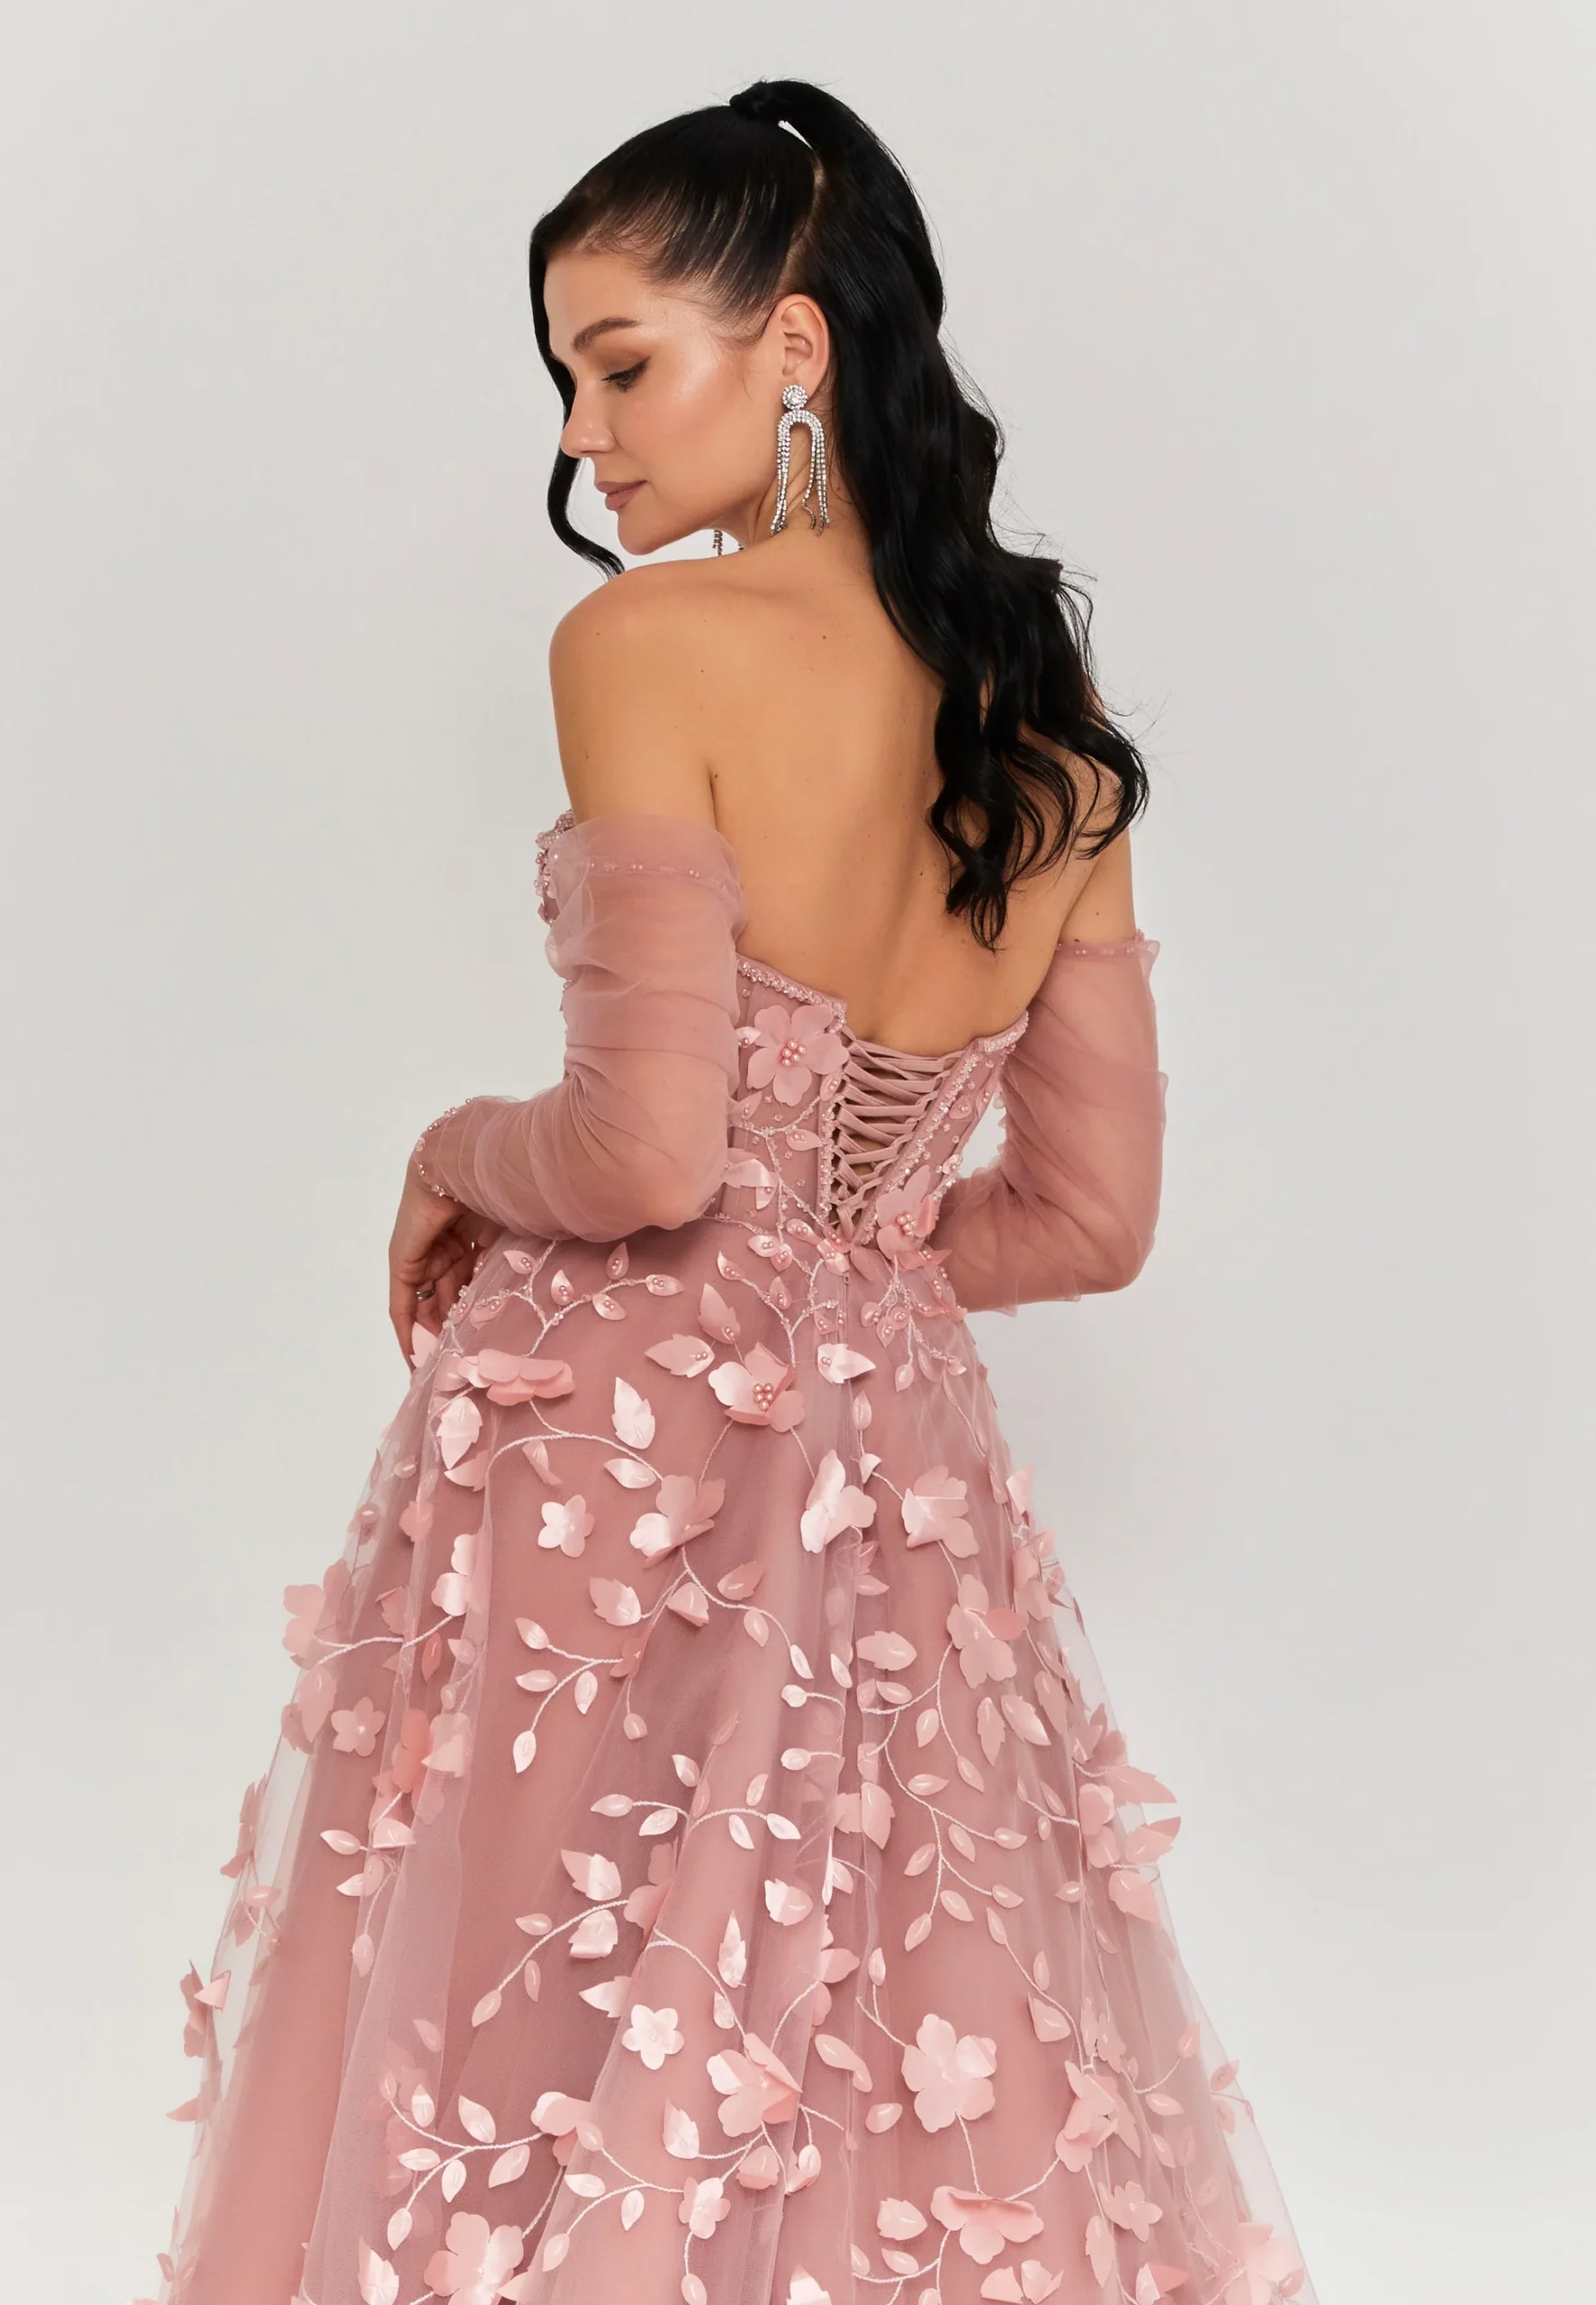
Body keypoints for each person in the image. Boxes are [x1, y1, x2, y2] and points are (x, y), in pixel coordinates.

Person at [140, 79, 1314, 2305]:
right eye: (564, 379)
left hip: (616, 1433)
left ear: (791, 346)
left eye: (618, 364)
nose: (580, 435)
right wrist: (862, 1260)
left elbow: (644, 1150)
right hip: (892, 1471)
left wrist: (445, 1153)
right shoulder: (1046, 724)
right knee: (860, 2043)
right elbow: (1090, 1218)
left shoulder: (641, 644)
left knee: (541, 2028)